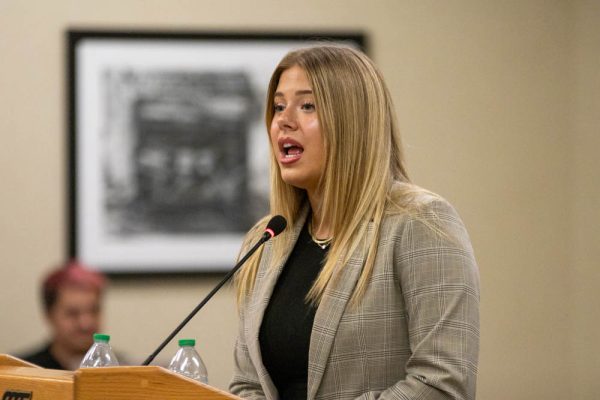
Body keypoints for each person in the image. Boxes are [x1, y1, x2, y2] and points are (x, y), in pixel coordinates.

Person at [229, 44, 480, 400]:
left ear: (352, 122)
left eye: (307, 105)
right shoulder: (267, 240)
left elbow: (442, 384)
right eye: (278, 106)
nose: (284, 120)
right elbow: (247, 384)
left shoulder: (420, 222)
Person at [20, 260, 106, 370]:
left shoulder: (120, 371)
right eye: (73, 313)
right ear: (49, 315)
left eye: (93, 310)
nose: (86, 323)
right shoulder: (22, 373)